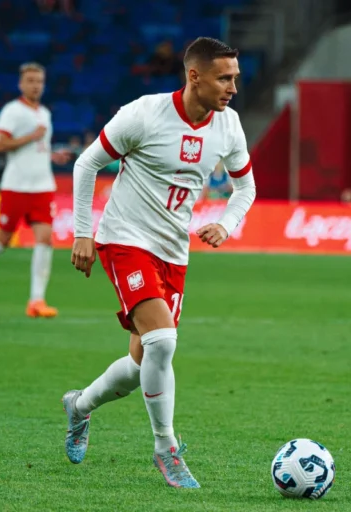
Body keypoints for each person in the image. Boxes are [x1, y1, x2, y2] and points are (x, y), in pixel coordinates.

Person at [64, 37, 256, 489]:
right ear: (195, 76)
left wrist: (226, 224)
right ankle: (165, 448)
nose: (233, 87)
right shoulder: (144, 114)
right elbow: (86, 164)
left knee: (140, 361)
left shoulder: (228, 126)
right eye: (224, 77)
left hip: (173, 252)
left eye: (236, 78)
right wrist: (82, 233)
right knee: (164, 342)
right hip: (125, 240)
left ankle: (79, 407)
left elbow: (245, 188)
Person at [0, 62, 71, 320]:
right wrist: (32, 137)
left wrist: (51, 155)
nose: (36, 85)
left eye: (39, 81)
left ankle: (36, 300)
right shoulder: (12, 111)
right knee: (2, 241)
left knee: (45, 239)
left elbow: (38, 148)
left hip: (42, 186)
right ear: (21, 84)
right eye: (31, 81)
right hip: (16, 186)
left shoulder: (44, 113)